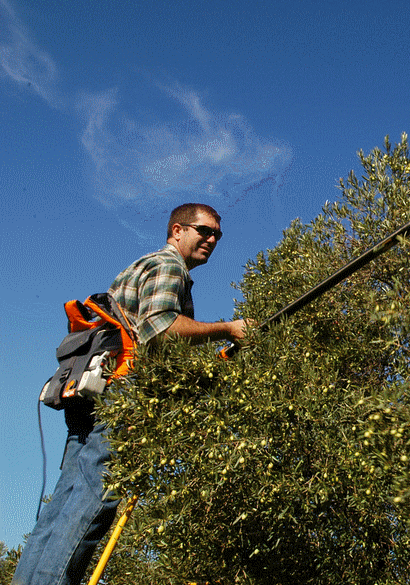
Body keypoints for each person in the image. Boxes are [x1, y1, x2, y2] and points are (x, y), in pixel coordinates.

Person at [13, 203, 251, 585]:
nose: (211, 239)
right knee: (91, 502)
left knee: (63, 504)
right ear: (177, 230)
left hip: (90, 390)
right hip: (120, 396)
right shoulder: (169, 266)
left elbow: (144, 332)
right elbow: (162, 328)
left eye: (217, 236)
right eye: (203, 231)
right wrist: (229, 328)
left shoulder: (141, 265)